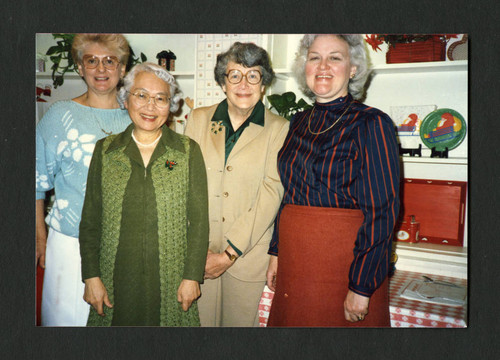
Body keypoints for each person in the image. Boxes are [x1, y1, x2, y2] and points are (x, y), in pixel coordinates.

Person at [266, 34, 400, 327]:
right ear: (305, 67)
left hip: (344, 261)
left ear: (353, 68)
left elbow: (382, 212)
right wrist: (276, 251)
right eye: (314, 57)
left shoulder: (372, 123)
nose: (323, 65)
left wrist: (362, 286)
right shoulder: (298, 122)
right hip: (296, 256)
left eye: (335, 57)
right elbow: (289, 194)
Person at [79, 62, 209, 326]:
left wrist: (192, 276)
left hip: (171, 280)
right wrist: (91, 277)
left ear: (171, 106)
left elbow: (199, 222)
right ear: (126, 100)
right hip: (115, 279)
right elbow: (90, 220)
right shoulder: (105, 151)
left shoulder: (186, 151)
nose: (151, 106)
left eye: (161, 99)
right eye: (141, 95)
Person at [184, 42, 289, 327]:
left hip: (247, 258)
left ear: (264, 83)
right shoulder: (198, 119)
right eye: (235, 75)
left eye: (253, 75)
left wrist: (230, 253)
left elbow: (272, 192)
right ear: (222, 82)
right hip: (200, 254)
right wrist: (195, 249)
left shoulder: (279, 128)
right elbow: (186, 185)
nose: (244, 83)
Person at [36, 34, 132, 326]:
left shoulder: (137, 118)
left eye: (109, 61)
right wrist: (40, 237)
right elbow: (35, 181)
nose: (101, 69)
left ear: (123, 69)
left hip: (123, 244)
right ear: (80, 67)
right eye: (91, 60)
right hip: (70, 243)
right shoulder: (59, 116)